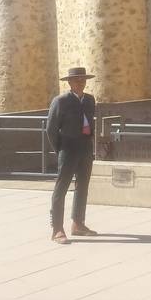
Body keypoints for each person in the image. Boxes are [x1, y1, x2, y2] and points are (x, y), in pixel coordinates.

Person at [47, 66, 99, 244]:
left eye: (83, 79)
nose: (81, 82)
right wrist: (60, 149)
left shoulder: (90, 100)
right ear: (69, 82)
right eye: (77, 79)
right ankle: (57, 229)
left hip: (85, 147)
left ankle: (78, 224)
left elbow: (90, 124)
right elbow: (51, 129)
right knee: (61, 188)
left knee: (82, 186)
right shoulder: (60, 101)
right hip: (68, 148)